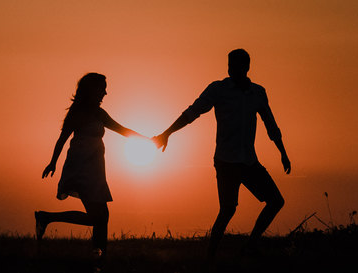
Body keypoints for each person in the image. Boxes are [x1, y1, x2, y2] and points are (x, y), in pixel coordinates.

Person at [154, 48, 291, 258]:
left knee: (275, 201)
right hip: (226, 161)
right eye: (229, 65)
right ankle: (210, 255)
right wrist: (167, 133)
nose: (231, 70)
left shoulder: (257, 93)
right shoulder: (218, 89)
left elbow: (270, 124)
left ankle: (251, 245)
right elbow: (193, 111)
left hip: (249, 161)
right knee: (228, 209)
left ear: (246, 67)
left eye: (235, 66)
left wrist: (283, 152)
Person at [36, 72, 148, 256]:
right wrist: (53, 162)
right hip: (81, 168)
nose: (105, 93)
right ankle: (48, 218)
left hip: (95, 170)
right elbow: (62, 139)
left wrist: (146, 140)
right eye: (102, 89)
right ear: (92, 90)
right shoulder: (77, 113)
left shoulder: (99, 113)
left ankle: (98, 255)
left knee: (102, 216)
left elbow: (121, 130)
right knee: (98, 217)